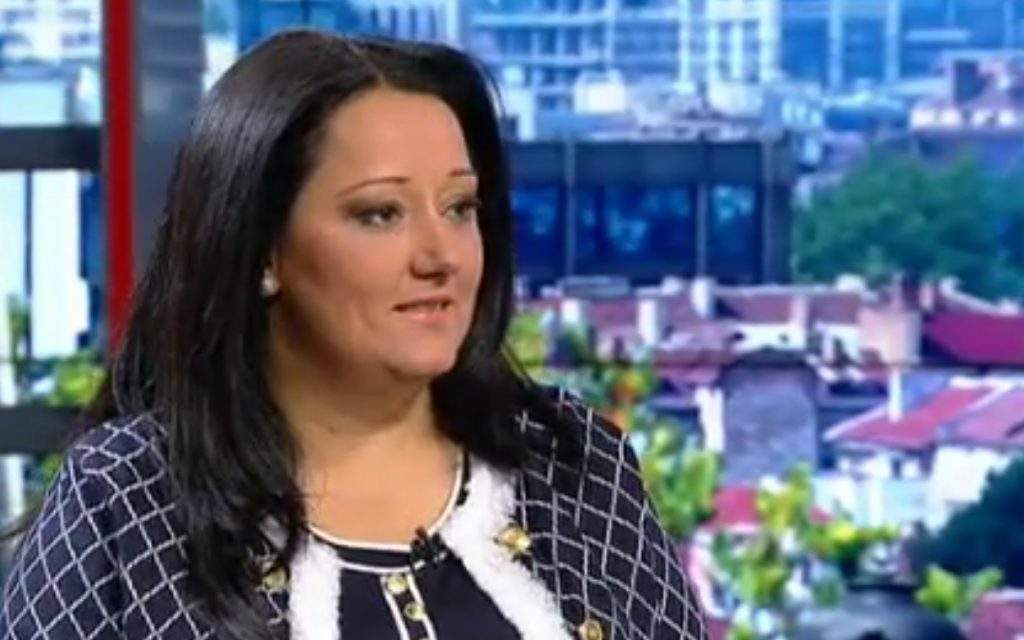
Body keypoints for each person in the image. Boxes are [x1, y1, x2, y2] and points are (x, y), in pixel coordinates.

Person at [0, 30, 708, 640]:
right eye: (380, 214)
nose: (441, 256)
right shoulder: (127, 498)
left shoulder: (573, 465)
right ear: (263, 250)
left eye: (460, 208)